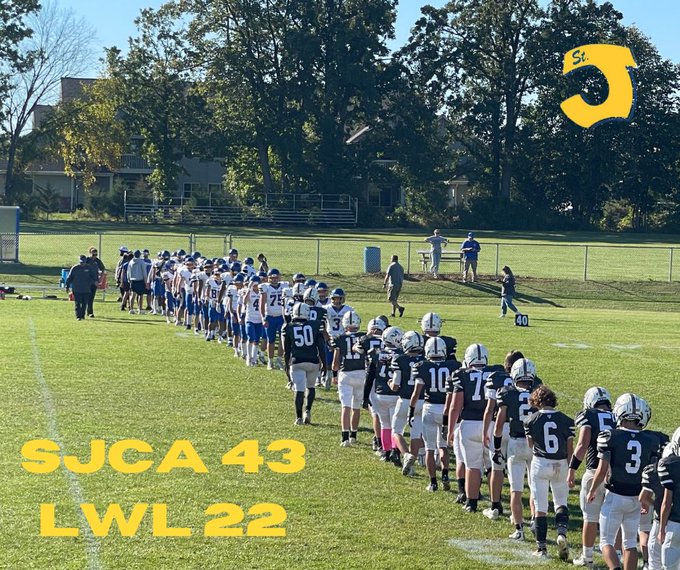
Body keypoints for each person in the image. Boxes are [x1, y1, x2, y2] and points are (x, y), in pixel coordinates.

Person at [589, 393, 659, 570]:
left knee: (606, 541)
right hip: (636, 497)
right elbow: (651, 474)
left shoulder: (610, 436)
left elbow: (602, 469)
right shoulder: (651, 440)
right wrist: (647, 496)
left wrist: (592, 489)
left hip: (615, 495)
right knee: (629, 543)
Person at [524, 385, 575, 560]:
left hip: (541, 463)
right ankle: (561, 533)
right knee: (561, 502)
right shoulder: (566, 420)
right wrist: (571, 469)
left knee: (540, 507)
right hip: (561, 463)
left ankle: (542, 548)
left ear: (536, 402)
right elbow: (570, 449)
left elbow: (531, 444)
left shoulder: (530, 420)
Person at [568, 387, 616, 568]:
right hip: (614, 475)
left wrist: (572, 468)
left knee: (590, 517)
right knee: (616, 519)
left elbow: (582, 444)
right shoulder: (618, 416)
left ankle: (587, 556)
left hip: (594, 472)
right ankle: (618, 554)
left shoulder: (588, 415)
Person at [410, 336, 459, 492]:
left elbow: (416, 393)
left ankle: (433, 482)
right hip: (446, 409)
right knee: (443, 446)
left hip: (430, 408)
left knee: (430, 448)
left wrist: (411, 411)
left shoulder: (422, 366)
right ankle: (445, 474)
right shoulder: (453, 366)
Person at [282, 302, 325, 425]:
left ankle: (299, 417)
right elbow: (321, 346)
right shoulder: (315, 325)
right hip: (313, 361)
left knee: (299, 389)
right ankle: (308, 410)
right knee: (311, 387)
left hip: (297, 361)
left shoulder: (288, 327)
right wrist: (324, 363)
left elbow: (286, 350)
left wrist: (286, 365)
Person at [332, 311, 365, 447]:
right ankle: (353, 435)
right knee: (356, 406)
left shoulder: (339, 338)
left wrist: (334, 374)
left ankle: (345, 437)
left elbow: (335, 362)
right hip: (361, 373)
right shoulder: (363, 337)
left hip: (346, 374)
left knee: (346, 406)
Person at [65, 255, 98, 321]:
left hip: (86, 289)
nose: (82, 263)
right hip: (76, 289)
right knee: (77, 303)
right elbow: (70, 278)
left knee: (84, 303)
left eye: (83, 262)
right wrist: (67, 286)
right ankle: (78, 316)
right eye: (81, 262)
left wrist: (95, 282)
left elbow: (94, 276)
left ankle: (82, 316)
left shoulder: (89, 268)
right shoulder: (75, 268)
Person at [127, 249, 150, 314]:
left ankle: (131, 309)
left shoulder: (131, 262)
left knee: (132, 295)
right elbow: (144, 272)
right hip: (140, 280)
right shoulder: (141, 262)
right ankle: (140, 309)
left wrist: (129, 279)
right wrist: (146, 282)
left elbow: (128, 272)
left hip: (132, 280)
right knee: (140, 295)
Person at [85, 246, 105, 318]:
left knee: (91, 297)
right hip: (87, 281)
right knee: (86, 297)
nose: (95, 256)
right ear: (90, 253)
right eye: (93, 255)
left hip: (95, 282)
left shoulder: (97, 261)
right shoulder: (87, 260)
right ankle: (86, 311)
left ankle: (90, 312)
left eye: (96, 255)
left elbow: (102, 269)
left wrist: (100, 279)